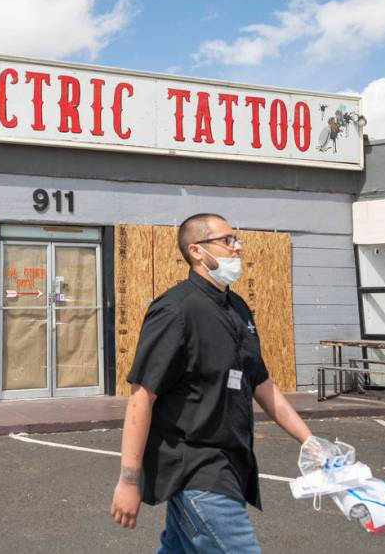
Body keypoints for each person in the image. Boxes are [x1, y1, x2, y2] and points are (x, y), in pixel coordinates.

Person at [110, 213, 314, 553]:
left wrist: (311, 443)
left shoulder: (238, 308)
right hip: (197, 468)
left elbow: (261, 383)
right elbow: (141, 397)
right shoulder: (176, 310)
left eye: (237, 240)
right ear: (196, 251)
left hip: (232, 464)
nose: (237, 248)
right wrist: (129, 480)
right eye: (227, 240)